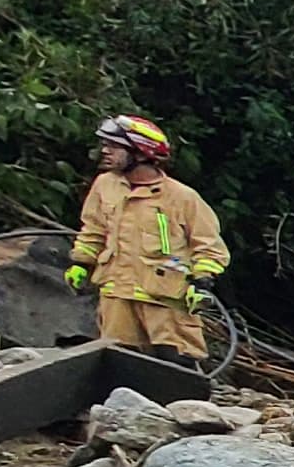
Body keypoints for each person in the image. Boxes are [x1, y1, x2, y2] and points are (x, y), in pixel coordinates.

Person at [65, 116, 228, 360]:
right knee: (118, 361)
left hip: (165, 301)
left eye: (114, 146)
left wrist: (201, 283)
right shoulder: (104, 186)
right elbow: (94, 231)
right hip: (117, 297)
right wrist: (81, 263)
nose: (105, 151)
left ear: (141, 153)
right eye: (105, 145)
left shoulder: (181, 197)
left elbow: (209, 247)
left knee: (174, 366)